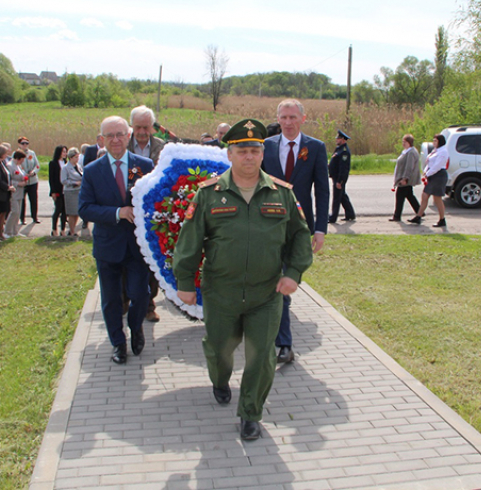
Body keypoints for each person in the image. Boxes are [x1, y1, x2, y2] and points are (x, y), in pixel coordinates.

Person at [173, 118, 313, 441]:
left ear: (262, 154)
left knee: (261, 355)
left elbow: (300, 238)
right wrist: (184, 281)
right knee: (220, 348)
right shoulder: (208, 195)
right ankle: (220, 379)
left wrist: (293, 274)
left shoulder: (283, 194)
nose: (249, 156)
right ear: (230, 155)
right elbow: (189, 241)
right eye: (242, 151)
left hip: (266, 293)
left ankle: (250, 413)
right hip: (221, 292)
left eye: (254, 150)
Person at [79, 116, 154, 365]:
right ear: (101, 139)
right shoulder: (92, 171)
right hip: (108, 246)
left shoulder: (145, 165)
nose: (115, 140)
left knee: (140, 294)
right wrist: (117, 212)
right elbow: (85, 208)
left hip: (137, 245)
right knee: (111, 299)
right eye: (109, 135)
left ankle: (136, 327)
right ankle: (118, 344)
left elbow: (154, 201)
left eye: (120, 134)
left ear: (128, 135)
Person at [262, 98, 329, 364]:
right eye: (283, 117)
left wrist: (321, 229)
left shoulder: (315, 148)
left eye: (293, 117)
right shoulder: (266, 147)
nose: (288, 122)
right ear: (278, 119)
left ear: (302, 118)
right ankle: (284, 343)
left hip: (300, 228)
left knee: (288, 279)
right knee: (278, 281)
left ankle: (281, 339)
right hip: (268, 225)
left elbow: (322, 191)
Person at [127, 105, 165, 322]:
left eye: (146, 127)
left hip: (153, 212)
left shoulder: (162, 147)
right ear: (132, 125)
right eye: (138, 127)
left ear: (153, 127)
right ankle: (126, 299)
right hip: (128, 211)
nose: (142, 132)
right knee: (127, 258)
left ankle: (150, 305)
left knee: (152, 259)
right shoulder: (122, 144)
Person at [409, 134, 450, 228]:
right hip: (432, 175)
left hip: (439, 175)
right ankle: (418, 216)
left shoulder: (443, 151)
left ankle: (442, 219)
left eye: (435, 141)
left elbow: (438, 165)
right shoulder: (435, 151)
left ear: (440, 141)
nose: (434, 142)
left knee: (437, 198)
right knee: (425, 195)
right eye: (433, 141)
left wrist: (428, 173)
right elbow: (429, 162)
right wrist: (426, 171)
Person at [390, 134, 421, 221]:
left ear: (409, 142)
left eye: (405, 142)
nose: (403, 143)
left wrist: (405, 178)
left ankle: (397, 216)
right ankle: (420, 211)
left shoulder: (411, 152)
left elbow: (409, 167)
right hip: (404, 178)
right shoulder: (407, 151)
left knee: (400, 196)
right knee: (409, 195)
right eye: (403, 142)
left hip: (405, 179)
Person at [327, 130, 355, 223]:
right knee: (342, 196)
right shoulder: (338, 149)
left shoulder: (344, 152)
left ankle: (333, 217)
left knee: (337, 198)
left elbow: (344, 168)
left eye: (338, 138)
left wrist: (340, 181)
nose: (336, 140)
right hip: (335, 176)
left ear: (343, 140)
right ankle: (350, 214)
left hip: (339, 178)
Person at [0, 145, 14, 242]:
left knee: (4, 213)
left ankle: (1, 232)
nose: (7, 155)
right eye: (5, 153)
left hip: (6, 194)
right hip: (0, 194)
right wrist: (8, 187)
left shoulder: (3, 162)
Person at [4, 150, 28, 238]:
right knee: (14, 211)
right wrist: (17, 183)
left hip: (20, 192)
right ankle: (7, 231)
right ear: (18, 158)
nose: (22, 161)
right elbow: (8, 179)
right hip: (14, 192)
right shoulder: (10, 166)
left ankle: (15, 231)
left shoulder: (19, 166)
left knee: (18, 212)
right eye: (22, 159)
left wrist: (25, 179)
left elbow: (22, 174)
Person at [17, 137, 41, 224]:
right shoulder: (16, 154)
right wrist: (23, 174)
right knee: (22, 200)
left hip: (33, 180)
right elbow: (16, 166)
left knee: (34, 199)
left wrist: (33, 172)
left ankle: (35, 217)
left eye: (26, 143)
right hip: (23, 180)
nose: (25, 145)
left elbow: (37, 165)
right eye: (23, 143)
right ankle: (22, 218)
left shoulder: (32, 153)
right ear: (19, 144)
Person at [61, 147, 83, 236]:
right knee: (71, 212)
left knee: (77, 212)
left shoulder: (79, 166)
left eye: (78, 157)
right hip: (70, 191)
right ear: (70, 158)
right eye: (75, 157)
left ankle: (73, 229)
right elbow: (63, 180)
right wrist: (74, 183)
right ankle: (72, 230)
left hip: (79, 191)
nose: (77, 159)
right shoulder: (65, 168)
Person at [48, 145, 68, 236]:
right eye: (63, 151)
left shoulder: (65, 162)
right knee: (58, 209)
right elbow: (51, 179)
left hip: (66, 190)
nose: (65, 153)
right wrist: (53, 192)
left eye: (65, 152)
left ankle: (63, 229)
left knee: (65, 210)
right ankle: (54, 229)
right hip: (57, 190)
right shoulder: (53, 163)